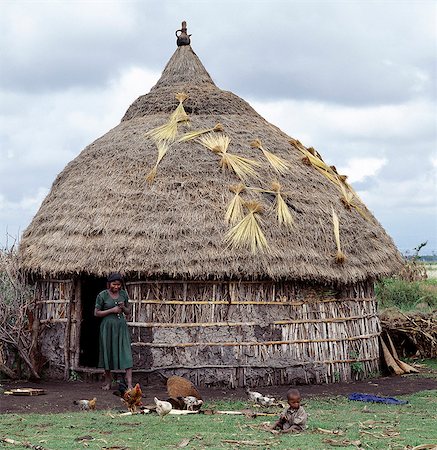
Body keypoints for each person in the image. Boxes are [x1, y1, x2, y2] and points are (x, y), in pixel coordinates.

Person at [94, 273, 133, 390]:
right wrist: (112, 310)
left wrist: (123, 307)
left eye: (118, 284)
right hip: (107, 327)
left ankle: (130, 384)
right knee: (107, 352)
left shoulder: (123, 294)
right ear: (109, 284)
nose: (116, 287)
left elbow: (127, 312)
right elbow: (96, 313)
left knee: (126, 353)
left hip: (121, 327)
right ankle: (108, 382)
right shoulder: (102, 295)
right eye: (114, 284)